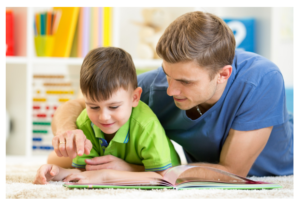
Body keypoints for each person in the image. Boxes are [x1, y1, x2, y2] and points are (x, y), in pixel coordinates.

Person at [48, 11, 293, 177]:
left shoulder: (261, 79)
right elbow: (78, 103)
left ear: (223, 74)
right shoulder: (156, 87)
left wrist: (133, 171)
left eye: (185, 81)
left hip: (285, 170)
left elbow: (232, 171)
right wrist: (67, 131)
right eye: (168, 74)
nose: (171, 90)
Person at [33, 47, 180, 184]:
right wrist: (57, 172)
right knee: (54, 160)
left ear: (134, 98)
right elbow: (85, 171)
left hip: (157, 168)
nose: (103, 117)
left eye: (114, 107)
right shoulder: (85, 122)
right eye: (94, 106)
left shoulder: (147, 125)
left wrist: (106, 175)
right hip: (110, 160)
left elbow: (163, 178)